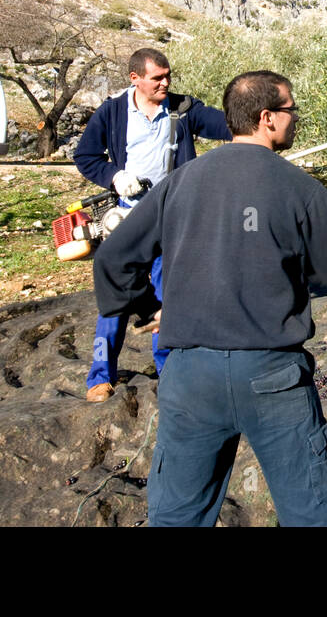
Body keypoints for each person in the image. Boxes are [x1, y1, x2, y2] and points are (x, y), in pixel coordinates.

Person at [92, 70, 327, 526]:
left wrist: (149, 308)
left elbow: (112, 260)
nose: (296, 119)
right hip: (273, 377)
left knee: (177, 516)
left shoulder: (180, 183)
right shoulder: (301, 189)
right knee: (309, 513)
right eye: (292, 110)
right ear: (267, 118)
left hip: (190, 375)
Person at [73, 47, 231, 402]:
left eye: (168, 75)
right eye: (157, 77)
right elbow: (84, 156)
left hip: (174, 218)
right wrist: (115, 177)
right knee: (115, 296)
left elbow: (226, 125)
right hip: (127, 218)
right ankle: (100, 377)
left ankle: (169, 372)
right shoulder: (112, 112)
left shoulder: (183, 108)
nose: (165, 82)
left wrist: (261, 120)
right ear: (135, 79)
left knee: (168, 296)